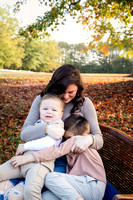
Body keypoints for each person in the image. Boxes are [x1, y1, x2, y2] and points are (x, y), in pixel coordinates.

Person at [0, 64, 103, 200]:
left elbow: (99, 139)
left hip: (61, 162)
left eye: (71, 92)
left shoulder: (85, 104)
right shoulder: (43, 100)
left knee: (26, 192)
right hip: (35, 153)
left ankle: (19, 187)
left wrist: (89, 139)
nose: (66, 97)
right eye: (62, 91)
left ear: (78, 88)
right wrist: (46, 129)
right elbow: (24, 133)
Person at [10, 114, 106, 200]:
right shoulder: (74, 141)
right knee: (45, 197)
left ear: (83, 135)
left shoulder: (77, 140)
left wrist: (28, 157)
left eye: (68, 138)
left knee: (50, 177)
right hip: (79, 188)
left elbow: (56, 151)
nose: (65, 141)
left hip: (93, 184)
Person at [0, 94, 65, 200]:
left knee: (31, 191)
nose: (49, 112)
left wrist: (26, 146)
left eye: (54, 110)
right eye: (45, 109)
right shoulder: (39, 123)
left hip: (40, 164)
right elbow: (25, 133)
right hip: (21, 162)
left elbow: (48, 143)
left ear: (61, 114)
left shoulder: (58, 126)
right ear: (39, 110)